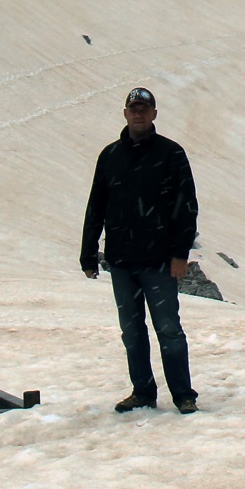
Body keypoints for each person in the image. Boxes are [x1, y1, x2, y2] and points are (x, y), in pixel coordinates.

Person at [81, 86, 200, 414]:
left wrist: (180, 254)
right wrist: (88, 254)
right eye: (133, 108)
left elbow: (186, 206)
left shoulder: (171, 154)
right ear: (125, 113)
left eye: (144, 109)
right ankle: (143, 392)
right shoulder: (110, 156)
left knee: (168, 329)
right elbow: (97, 207)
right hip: (121, 260)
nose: (138, 113)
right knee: (132, 332)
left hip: (159, 261)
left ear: (154, 114)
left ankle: (183, 394)